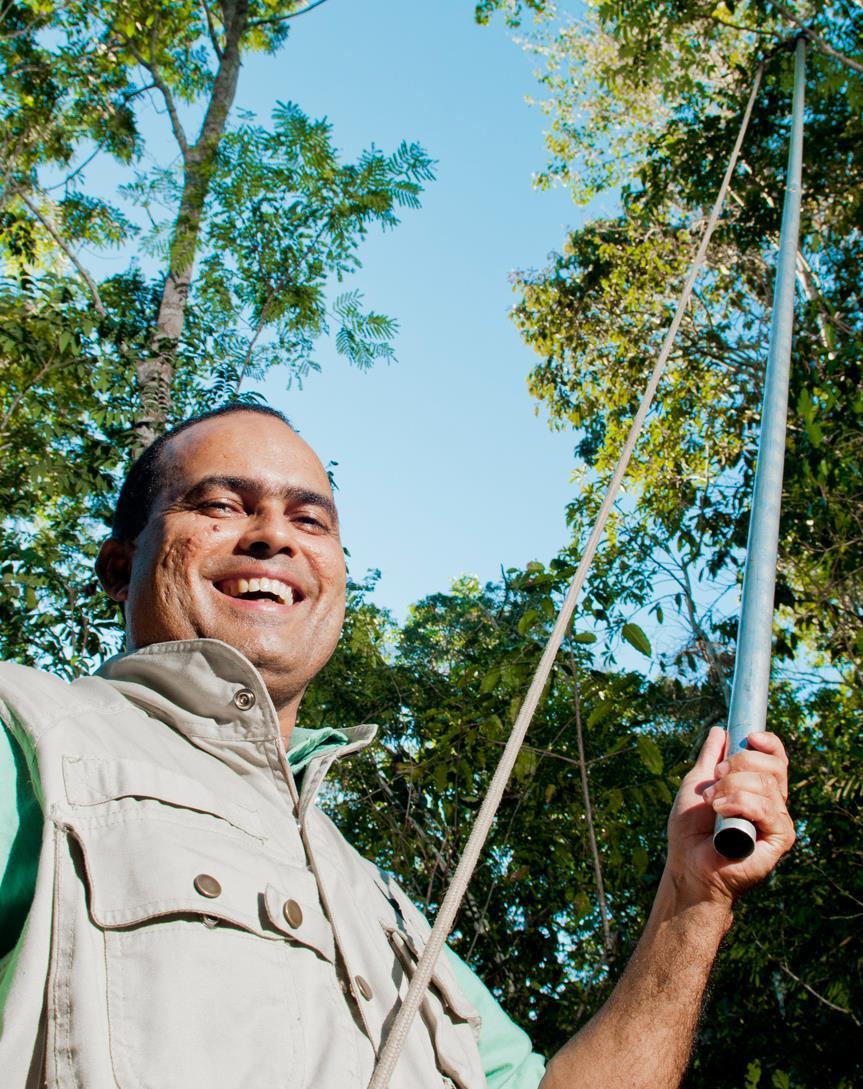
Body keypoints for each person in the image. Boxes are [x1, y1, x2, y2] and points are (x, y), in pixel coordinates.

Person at [0, 403, 795, 1089]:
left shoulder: (389, 914)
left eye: (310, 519)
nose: (274, 534)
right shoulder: (31, 738)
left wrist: (692, 902)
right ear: (119, 564)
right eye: (220, 504)